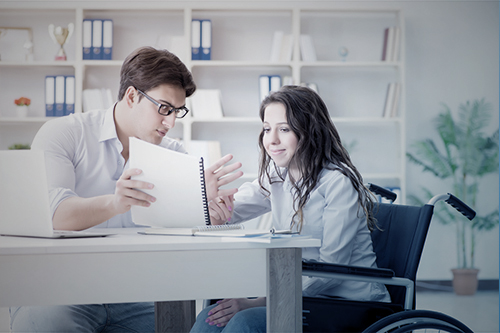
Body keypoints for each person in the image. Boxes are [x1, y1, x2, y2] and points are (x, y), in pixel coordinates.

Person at [10, 46, 242, 333]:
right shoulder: (64, 134)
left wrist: (209, 220)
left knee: (177, 324)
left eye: (177, 112)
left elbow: (180, 241)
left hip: (136, 294)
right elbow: (53, 215)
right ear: (132, 96)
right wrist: (115, 203)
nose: (170, 122)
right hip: (59, 289)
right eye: (164, 109)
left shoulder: (173, 153)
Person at [190, 85, 391, 333]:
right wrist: (210, 204)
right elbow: (232, 208)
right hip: (299, 295)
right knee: (210, 317)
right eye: (266, 129)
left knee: (245, 321)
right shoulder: (277, 174)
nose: (271, 140)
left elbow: (331, 270)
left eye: (284, 129)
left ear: (310, 131)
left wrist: (260, 301)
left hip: (348, 303)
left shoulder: (338, 182)